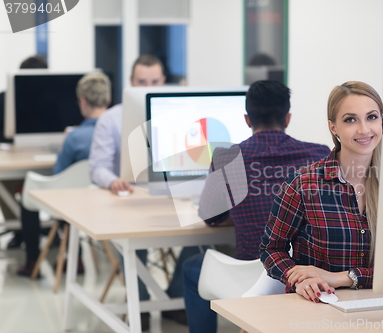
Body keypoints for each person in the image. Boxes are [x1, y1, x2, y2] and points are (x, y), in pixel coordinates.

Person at [182, 80, 331, 333]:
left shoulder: (227, 158)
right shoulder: (319, 155)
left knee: (191, 266)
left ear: (247, 119)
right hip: (308, 273)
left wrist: (239, 211)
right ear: (288, 117)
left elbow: (211, 218)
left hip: (255, 274)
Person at [88, 54, 196, 331]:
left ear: (164, 82)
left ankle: (175, 298)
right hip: (129, 200)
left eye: (155, 81)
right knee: (132, 244)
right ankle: (142, 305)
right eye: (142, 81)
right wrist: (113, 181)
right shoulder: (111, 119)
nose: (149, 86)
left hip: (175, 197)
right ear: (130, 82)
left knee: (201, 237)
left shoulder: (180, 115)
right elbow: (97, 167)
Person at [260, 81, 383, 303]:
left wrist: (342, 278)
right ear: (333, 127)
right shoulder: (303, 184)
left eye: (372, 117)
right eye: (350, 119)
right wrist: (299, 279)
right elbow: (271, 250)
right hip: (320, 304)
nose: (364, 129)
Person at [17, 72, 111, 276]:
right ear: (108, 99)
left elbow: (59, 175)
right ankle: (73, 258)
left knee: (30, 195)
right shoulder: (117, 132)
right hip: (107, 201)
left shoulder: (74, 138)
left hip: (75, 205)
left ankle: (32, 261)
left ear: (83, 101)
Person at [1, 55, 48, 249]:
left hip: (44, 166)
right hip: (12, 163)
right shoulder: (4, 100)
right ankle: (19, 229)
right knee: (4, 185)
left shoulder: (51, 102)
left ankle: (53, 230)